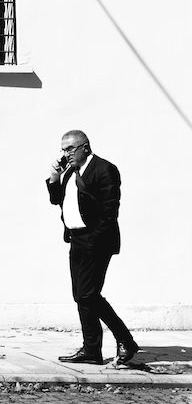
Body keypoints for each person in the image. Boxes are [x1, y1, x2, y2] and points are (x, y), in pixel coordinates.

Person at [45, 130, 138, 366]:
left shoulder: (104, 169)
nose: (66, 154)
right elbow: (57, 200)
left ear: (85, 147)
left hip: (97, 242)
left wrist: (94, 241)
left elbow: (109, 212)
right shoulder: (69, 173)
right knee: (81, 296)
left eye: (70, 149)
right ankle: (91, 350)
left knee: (88, 294)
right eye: (63, 149)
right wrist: (54, 177)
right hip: (76, 239)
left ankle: (125, 340)